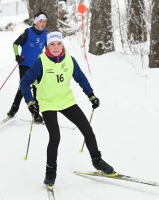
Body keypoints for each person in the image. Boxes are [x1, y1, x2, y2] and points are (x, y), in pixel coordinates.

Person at [20, 30, 114, 187]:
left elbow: (81, 78)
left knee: (87, 130)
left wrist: (91, 95)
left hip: (66, 100)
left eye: (59, 44)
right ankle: (50, 173)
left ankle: (97, 161)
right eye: (52, 44)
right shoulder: (41, 62)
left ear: (62, 44)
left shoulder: (70, 60)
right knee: (55, 137)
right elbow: (24, 82)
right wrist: (30, 102)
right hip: (47, 102)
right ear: (47, 46)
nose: (56, 47)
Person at [6, 11, 48, 123]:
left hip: (37, 66)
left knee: (36, 89)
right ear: (36, 22)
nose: (43, 23)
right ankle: (14, 109)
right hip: (24, 65)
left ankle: (36, 114)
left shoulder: (45, 34)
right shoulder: (28, 32)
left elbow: (47, 49)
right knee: (23, 87)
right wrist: (17, 56)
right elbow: (15, 44)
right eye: (41, 21)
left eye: (44, 21)